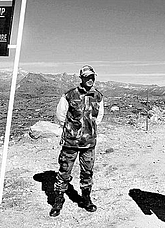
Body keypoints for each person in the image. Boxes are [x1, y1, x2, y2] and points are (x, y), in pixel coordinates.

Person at [50, 65, 104, 217]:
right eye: (87, 77)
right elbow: (61, 116)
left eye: (92, 76)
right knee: (64, 172)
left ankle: (86, 199)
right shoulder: (69, 95)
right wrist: (71, 130)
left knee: (87, 172)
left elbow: (98, 117)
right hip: (70, 142)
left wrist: (89, 129)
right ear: (81, 78)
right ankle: (58, 201)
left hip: (89, 143)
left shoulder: (98, 96)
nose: (90, 79)